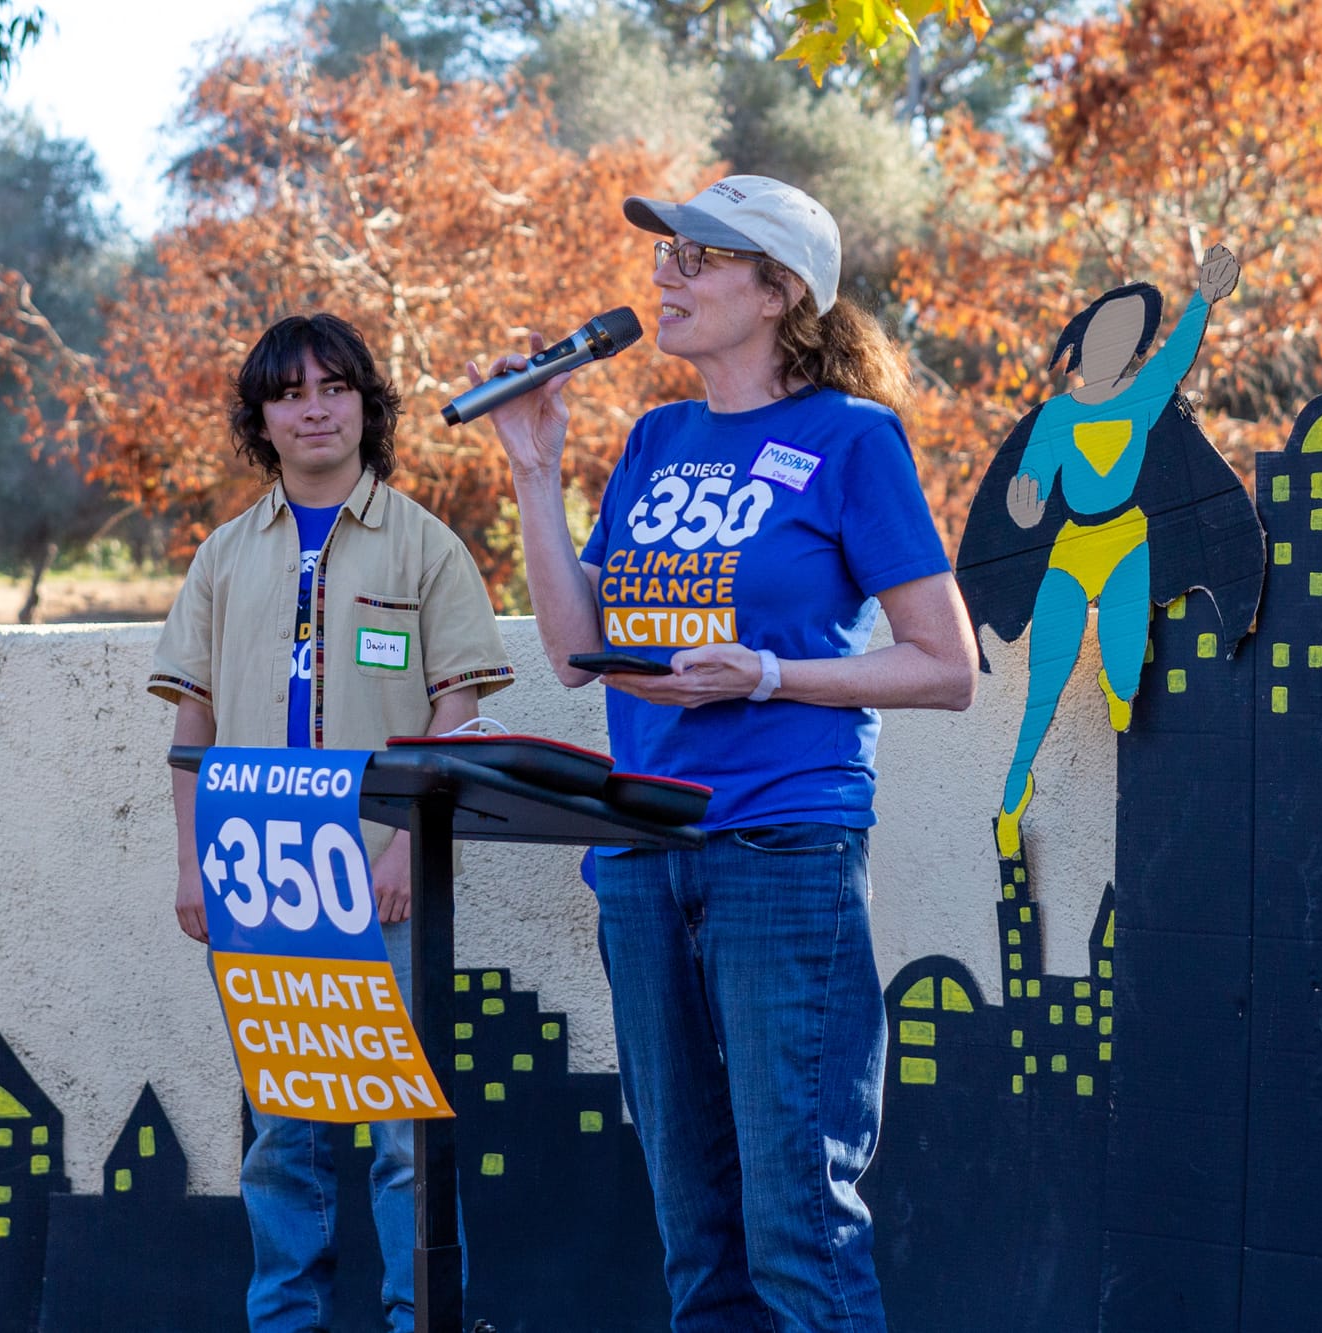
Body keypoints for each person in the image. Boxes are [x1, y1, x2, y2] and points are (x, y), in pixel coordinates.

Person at [473, 175, 978, 1332]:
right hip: (641, 854)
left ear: (780, 290)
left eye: (699, 259)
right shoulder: (654, 440)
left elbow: (943, 665)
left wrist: (765, 673)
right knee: (694, 1233)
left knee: (798, 1221)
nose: (667, 276)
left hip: (778, 849)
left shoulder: (853, 440)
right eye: (664, 257)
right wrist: (534, 468)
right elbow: (572, 650)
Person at [150, 313, 513, 1333]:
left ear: (366, 404)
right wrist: (193, 864)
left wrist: (403, 841)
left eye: (335, 387)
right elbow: (193, 723)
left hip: (382, 874)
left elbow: (457, 708)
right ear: (259, 419)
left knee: (403, 1130)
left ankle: (419, 1319)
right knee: (284, 1129)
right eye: (289, 392)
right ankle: (287, 1321)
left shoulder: (423, 544)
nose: (314, 408)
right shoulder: (223, 557)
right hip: (260, 875)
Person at [964, 246, 1243, 859]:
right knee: (1043, 689)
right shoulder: (1054, 417)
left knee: (1120, 689)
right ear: (1081, 343)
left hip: (1129, 542)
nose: (1116, 343)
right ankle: (1016, 789)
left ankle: (1123, 669)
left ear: (1138, 349)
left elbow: (1176, 359)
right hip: (1071, 549)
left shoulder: (1143, 399)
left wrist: (1203, 299)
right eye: (1106, 331)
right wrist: (1023, 505)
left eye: (1130, 335)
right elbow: (1028, 497)